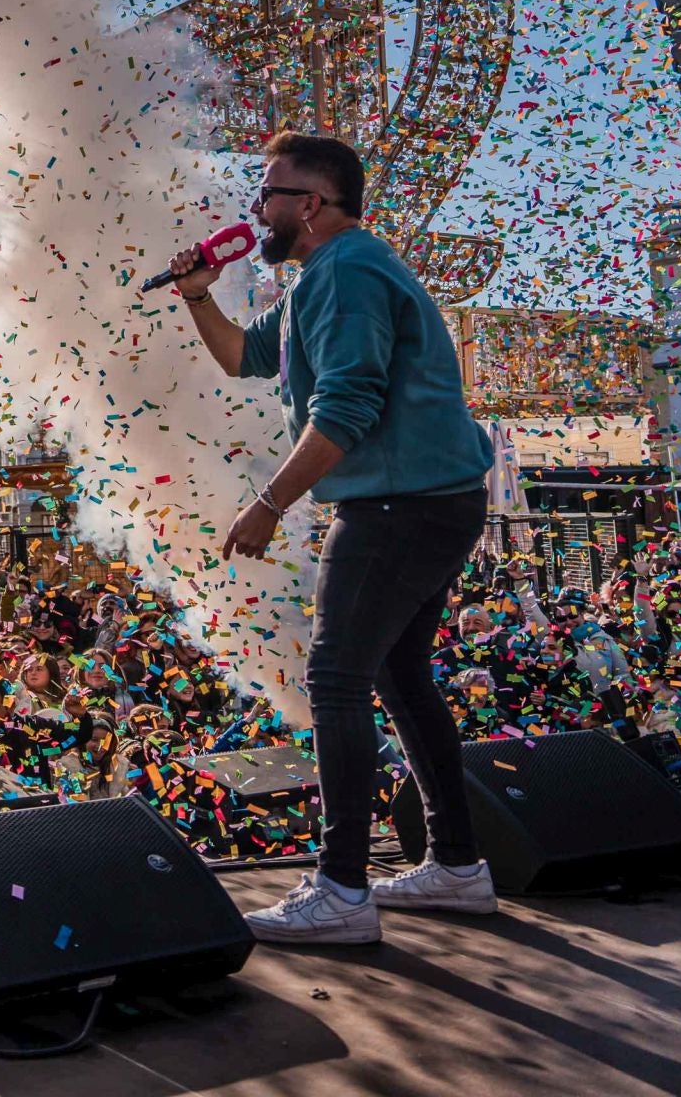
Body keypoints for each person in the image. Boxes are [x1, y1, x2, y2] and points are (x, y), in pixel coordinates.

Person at [167, 131, 497, 943]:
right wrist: (198, 296)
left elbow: (346, 409)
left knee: (336, 679)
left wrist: (269, 503)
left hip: (397, 508)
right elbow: (246, 357)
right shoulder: (322, 276)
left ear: (309, 204)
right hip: (425, 501)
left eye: (269, 193)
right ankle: (457, 867)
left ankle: (342, 889)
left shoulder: (347, 274)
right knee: (398, 674)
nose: (256, 209)